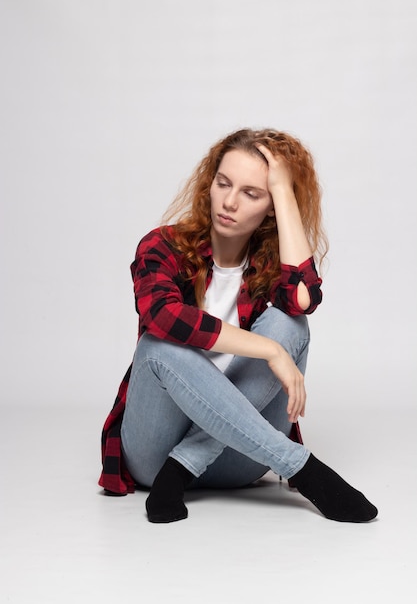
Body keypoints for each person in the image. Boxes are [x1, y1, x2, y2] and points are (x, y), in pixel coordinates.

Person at [99, 128, 378, 524]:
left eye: (251, 193)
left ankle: (183, 467)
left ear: (270, 207)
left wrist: (283, 191)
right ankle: (304, 469)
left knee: (292, 325)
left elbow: (303, 298)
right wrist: (268, 350)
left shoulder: (266, 268)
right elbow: (162, 315)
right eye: (224, 183)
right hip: (153, 452)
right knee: (158, 345)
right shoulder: (161, 246)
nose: (229, 202)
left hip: (239, 459)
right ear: (209, 183)